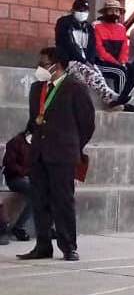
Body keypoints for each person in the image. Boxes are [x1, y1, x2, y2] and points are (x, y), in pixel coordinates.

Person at [16, 47, 95, 262]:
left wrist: (73, 146)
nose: (39, 67)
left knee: (63, 201)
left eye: (43, 63)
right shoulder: (37, 89)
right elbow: (34, 119)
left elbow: (87, 123)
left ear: (56, 65)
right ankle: (42, 245)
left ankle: (68, 246)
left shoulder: (75, 88)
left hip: (62, 155)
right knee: (39, 200)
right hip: (39, 154)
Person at [54, 0, 127, 109]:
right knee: (89, 75)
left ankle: (111, 100)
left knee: (97, 74)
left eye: (85, 10)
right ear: (73, 10)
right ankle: (113, 97)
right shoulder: (64, 23)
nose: (83, 13)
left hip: (85, 61)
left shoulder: (88, 27)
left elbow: (92, 47)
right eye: (80, 10)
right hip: (68, 60)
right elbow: (67, 44)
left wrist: (90, 62)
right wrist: (84, 62)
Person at [2, 129, 35, 243]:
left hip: (30, 178)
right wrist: (24, 173)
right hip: (15, 178)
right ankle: (19, 227)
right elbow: (9, 164)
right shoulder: (15, 143)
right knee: (35, 192)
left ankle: (48, 228)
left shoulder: (38, 145)